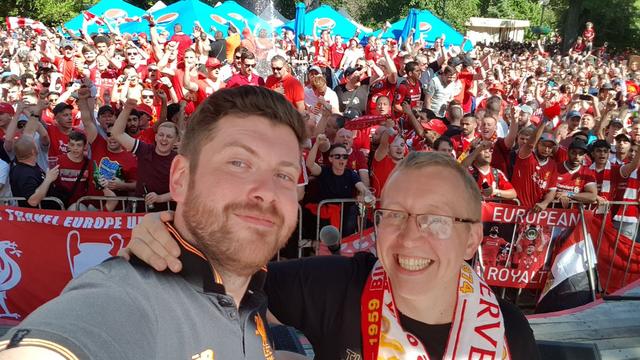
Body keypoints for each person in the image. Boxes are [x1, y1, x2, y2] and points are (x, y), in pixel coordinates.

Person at [121, 152, 539, 360]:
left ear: (471, 239)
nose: (410, 237)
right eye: (394, 215)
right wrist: (169, 241)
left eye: (436, 220)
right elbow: (218, 277)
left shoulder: (509, 331)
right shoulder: (332, 287)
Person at [0, 86, 307, 359]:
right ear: (181, 179)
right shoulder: (127, 300)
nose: (266, 192)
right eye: (239, 163)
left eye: (284, 175)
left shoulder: (258, 293)